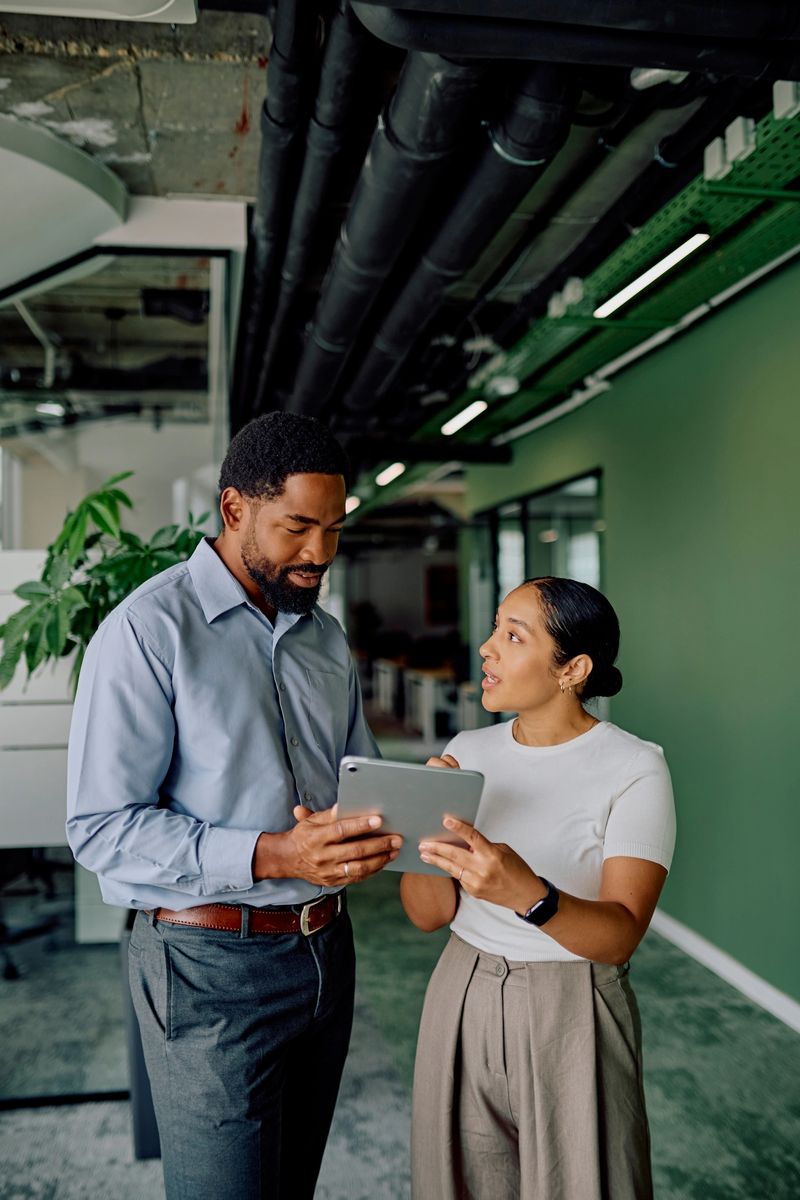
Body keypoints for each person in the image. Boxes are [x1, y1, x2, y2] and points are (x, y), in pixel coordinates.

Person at [66, 412, 401, 1200]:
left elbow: (358, 774)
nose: (320, 552)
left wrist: (391, 818)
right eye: (297, 527)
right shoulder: (148, 631)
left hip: (325, 954)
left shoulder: (322, 636)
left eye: (334, 529)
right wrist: (276, 854)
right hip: (205, 966)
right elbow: (101, 826)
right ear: (233, 509)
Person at [401, 577, 676, 1200]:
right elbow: (426, 914)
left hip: (571, 1006)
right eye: (496, 628)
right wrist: (423, 816)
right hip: (461, 990)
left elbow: (619, 936)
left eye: (513, 635)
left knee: (583, 1182)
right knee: (458, 1182)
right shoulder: (466, 752)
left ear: (572, 669)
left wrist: (527, 893)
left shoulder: (634, 767)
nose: (487, 649)